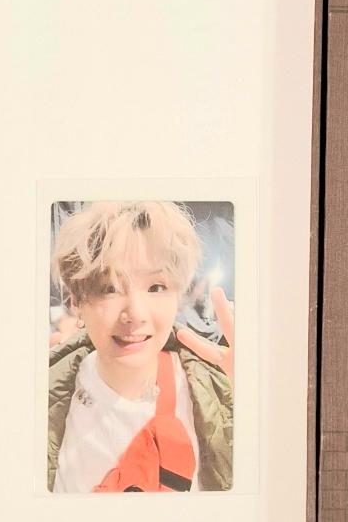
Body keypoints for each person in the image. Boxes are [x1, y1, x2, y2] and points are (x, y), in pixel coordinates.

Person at [48, 200, 234, 493]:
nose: (135, 313)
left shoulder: (217, 399)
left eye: (156, 287)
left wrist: (254, 404)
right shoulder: (40, 396)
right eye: (109, 288)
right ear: (77, 302)